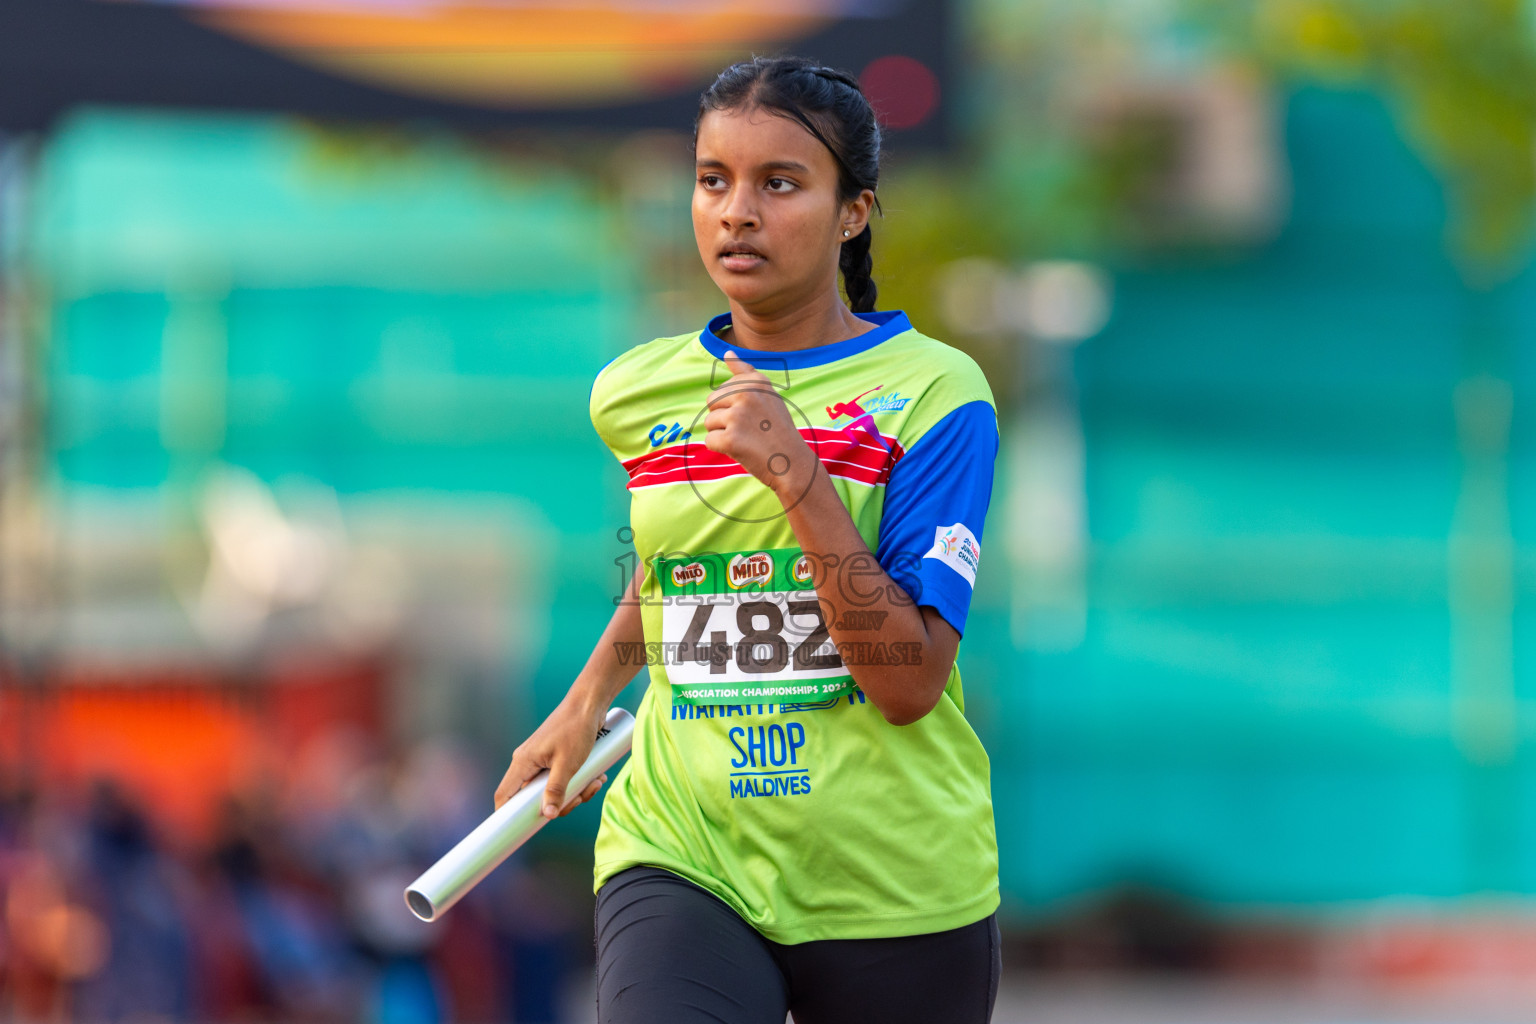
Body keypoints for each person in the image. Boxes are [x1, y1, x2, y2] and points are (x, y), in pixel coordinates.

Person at [494, 54, 1002, 1024]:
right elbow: (684, 563)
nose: (736, 212)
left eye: (780, 183)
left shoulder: (938, 395)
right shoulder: (637, 393)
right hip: (687, 849)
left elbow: (907, 681)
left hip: (894, 883)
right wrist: (587, 696)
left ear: (854, 211)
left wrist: (798, 473)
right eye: (713, 179)